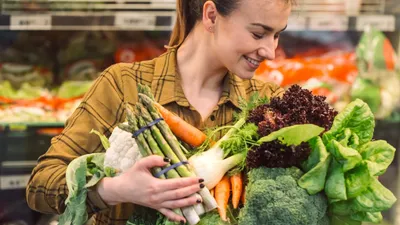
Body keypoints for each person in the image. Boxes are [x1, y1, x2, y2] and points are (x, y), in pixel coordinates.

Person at [26, 0, 292, 224]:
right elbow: (41, 185)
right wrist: (116, 190)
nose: (270, 51)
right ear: (211, 16)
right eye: (258, 34)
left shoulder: (269, 104)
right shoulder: (123, 85)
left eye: (277, 34)